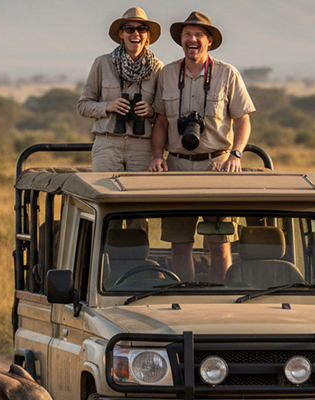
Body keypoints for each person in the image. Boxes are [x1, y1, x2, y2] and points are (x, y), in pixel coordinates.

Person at [147, 11, 256, 283]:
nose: (192, 39)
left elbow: (243, 120)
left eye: (198, 35)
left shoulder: (227, 73)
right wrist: (157, 156)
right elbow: (161, 121)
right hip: (177, 165)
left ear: (210, 41)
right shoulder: (167, 73)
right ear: (181, 40)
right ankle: (183, 296)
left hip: (217, 165)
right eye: (187, 34)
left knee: (219, 242)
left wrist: (236, 154)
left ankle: (220, 297)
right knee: (179, 243)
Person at [78, 7, 164, 173]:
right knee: (103, 189)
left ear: (147, 35)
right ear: (121, 34)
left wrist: (150, 111)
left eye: (141, 29)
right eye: (129, 29)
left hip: (142, 146)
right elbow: (83, 106)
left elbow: (163, 115)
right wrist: (108, 106)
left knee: (140, 190)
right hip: (107, 143)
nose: (135, 34)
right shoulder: (103, 63)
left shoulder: (157, 68)